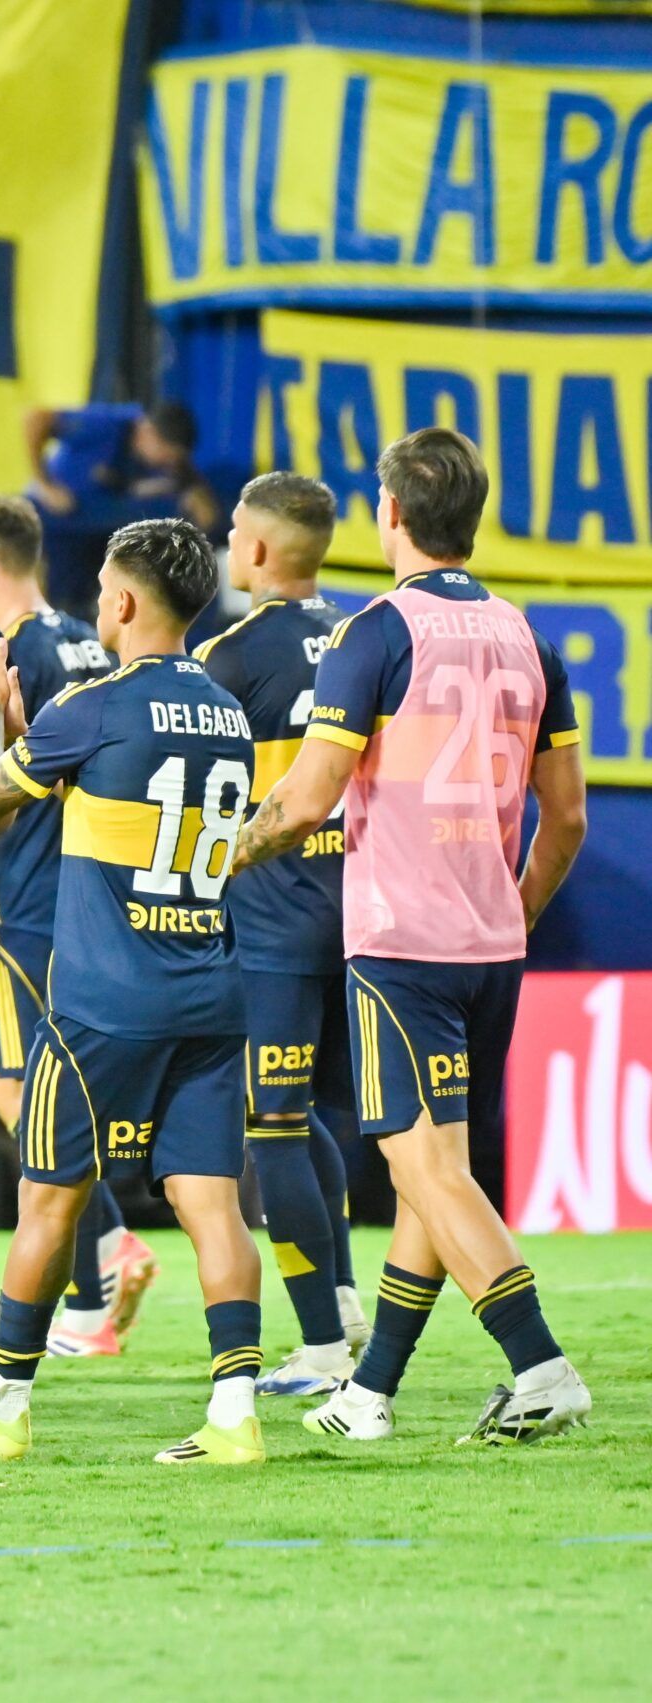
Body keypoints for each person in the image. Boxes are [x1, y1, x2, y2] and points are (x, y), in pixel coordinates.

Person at [234, 427, 592, 1445]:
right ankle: (370, 1391)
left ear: (389, 514)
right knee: (432, 1173)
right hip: (489, 946)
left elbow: (305, 799)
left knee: (424, 1164)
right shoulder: (532, 637)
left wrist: (226, 855)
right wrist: (514, 907)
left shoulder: (374, 634)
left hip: (402, 940)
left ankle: (539, 1363)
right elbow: (565, 818)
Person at [0, 516, 264, 1466]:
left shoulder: (99, 701)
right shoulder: (225, 706)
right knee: (212, 1205)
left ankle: (6, 1401)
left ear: (122, 600)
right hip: (210, 989)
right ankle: (236, 1415)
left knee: (50, 1201)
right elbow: (119, 783)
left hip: (106, 1001)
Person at [0, 495, 156, 1361]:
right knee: (13, 1080)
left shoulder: (10, 651)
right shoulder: (83, 636)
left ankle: (99, 1272)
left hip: (30, 901)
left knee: (26, 1090)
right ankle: (104, 1255)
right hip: (93, 892)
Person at [197, 472, 367, 1394]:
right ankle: (338, 1299)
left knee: (271, 1128)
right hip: (363, 910)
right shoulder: (357, 638)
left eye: (233, 530)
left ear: (257, 550)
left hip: (272, 922)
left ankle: (322, 1351)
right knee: (303, 1120)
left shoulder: (230, 655)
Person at [25, 400, 218, 610]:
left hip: (95, 537)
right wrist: (45, 484)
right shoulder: (107, 425)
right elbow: (37, 418)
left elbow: (206, 510)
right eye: (165, 455)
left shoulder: (170, 466)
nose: (167, 464)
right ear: (148, 432)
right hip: (55, 525)